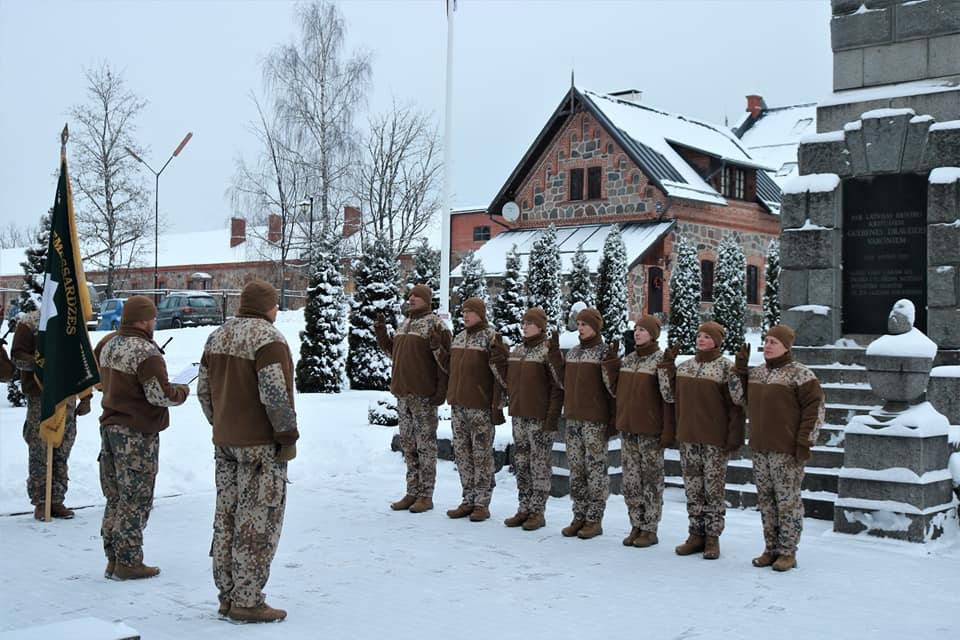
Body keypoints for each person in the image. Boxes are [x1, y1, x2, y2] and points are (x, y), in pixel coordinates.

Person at [198, 279, 298, 623]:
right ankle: (248, 600)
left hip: (225, 443)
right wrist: (286, 437)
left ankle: (226, 596)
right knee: (258, 521)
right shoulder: (268, 340)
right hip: (260, 447)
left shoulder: (218, 336)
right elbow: (274, 395)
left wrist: (221, 424)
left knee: (226, 518)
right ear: (268, 306)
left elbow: (203, 391)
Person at [95, 295, 189, 579]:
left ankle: (113, 558)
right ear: (145, 320)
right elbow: (158, 395)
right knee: (136, 498)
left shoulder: (109, 345)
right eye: (152, 318)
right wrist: (181, 391)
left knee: (115, 496)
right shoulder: (146, 353)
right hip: (136, 435)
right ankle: (129, 561)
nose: (154, 323)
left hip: (110, 427)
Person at [736, 324, 824, 572]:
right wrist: (740, 371)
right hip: (760, 448)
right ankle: (770, 548)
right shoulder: (757, 373)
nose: (768, 345)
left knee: (787, 502)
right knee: (766, 500)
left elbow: (815, 410)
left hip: (786, 450)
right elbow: (739, 399)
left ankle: (788, 551)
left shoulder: (801, 375)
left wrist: (805, 441)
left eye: (774, 341)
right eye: (766, 340)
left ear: (787, 346)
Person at [661, 321, 745, 560]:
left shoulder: (725, 368)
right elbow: (669, 395)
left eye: (707, 336)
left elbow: (738, 402)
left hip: (714, 440)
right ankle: (695, 534)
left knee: (713, 490)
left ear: (717, 341)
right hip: (688, 437)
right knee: (693, 489)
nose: (700, 339)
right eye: (699, 335)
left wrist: (740, 371)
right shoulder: (685, 367)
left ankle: (712, 537)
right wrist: (667, 367)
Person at [374, 284, 451, 514]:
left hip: (423, 396)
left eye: (417, 296)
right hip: (403, 394)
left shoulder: (437, 325)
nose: (411, 298)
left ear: (427, 300)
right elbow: (393, 353)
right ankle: (412, 491)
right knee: (408, 445)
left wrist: (441, 391)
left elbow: (445, 363)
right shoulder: (404, 324)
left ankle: (426, 495)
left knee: (426, 446)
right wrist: (381, 333)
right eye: (410, 295)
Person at [602, 314, 674, 548]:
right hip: (628, 429)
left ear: (653, 334)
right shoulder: (629, 360)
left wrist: (666, 369)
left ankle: (650, 528)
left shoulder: (661, 360)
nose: (637, 332)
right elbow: (615, 391)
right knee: (631, 480)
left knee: (651, 481)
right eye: (636, 329)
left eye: (643, 329)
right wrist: (611, 365)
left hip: (650, 431)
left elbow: (668, 396)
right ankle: (636, 524)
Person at [490, 307, 563, 531]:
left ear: (541, 326)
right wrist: (500, 360)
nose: (524, 326)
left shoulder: (547, 351)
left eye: (529, 323)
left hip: (539, 417)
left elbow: (558, 387)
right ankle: (524, 508)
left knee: (539, 464)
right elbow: (507, 382)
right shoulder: (517, 350)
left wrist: (552, 416)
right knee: (521, 463)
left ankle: (537, 512)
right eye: (523, 322)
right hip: (519, 415)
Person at [12, 306, 88, 520]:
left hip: (67, 394)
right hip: (41, 396)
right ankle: (41, 501)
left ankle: (57, 499)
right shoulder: (30, 322)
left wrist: (86, 396)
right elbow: (17, 356)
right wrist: (45, 365)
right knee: (40, 448)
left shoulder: (71, 321)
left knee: (63, 447)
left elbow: (83, 358)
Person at [443, 297, 505, 522]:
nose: (466, 315)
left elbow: (501, 377)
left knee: (481, 455)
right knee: (462, 454)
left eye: (470, 312)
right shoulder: (459, 338)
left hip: (480, 407)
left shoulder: (491, 338)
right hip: (458, 405)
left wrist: (497, 406)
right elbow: (449, 368)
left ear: (481, 313)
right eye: (463, 312)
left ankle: (482, 502)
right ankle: (467, 498)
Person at [558, 307, 616, 540]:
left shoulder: (604, 354)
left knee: (595, 470)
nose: (580, 328)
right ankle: (579, 515)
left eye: (585, 324)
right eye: (579, 324)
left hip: (594, 421)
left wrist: (611, 421)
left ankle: (594, 518)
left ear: (595, 327)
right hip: (573, 419)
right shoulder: (572, 354)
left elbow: (613, 391)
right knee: (576, 470)